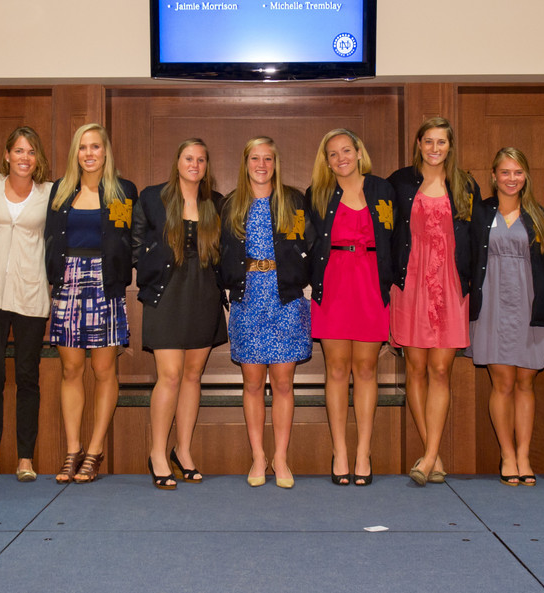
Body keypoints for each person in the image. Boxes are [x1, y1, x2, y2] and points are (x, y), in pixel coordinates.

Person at [44, 123, 137, 484]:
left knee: (103, 372)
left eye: (95, 146)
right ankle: (73, 450)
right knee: (70, 370)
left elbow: (128, 238)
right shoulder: (60, 190)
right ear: (75, 153)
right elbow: (52, 238)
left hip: (106, 285)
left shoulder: (123, 191)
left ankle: (94, 451)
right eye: (83, 147)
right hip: (68, 282)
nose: (89, 153)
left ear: (105, 151)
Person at [388, 116, 479, 486]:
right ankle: (433, 454)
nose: (435, 148)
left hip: (450, 284)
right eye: (429, 141)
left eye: (441, 142)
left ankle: (428, 456)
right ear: (419, 144)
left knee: (441, 370)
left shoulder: (465, 185)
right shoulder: (398, 182)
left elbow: (474, 238)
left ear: (450, 146)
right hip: (410, 283)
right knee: (415, 369)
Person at [133, 139, 227, 489]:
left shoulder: (216, 203)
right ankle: (158, 453)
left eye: (201, 159)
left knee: (192, 376)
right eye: (189, 157)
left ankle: (182, 451)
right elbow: (135, 242)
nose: (195, 164)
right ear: (177, 162)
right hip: (166, 293)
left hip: (204, 293)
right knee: (169, 376)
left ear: (206, 166)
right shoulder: (153, 197)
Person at [219, 136, 312, 489]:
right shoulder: (231, 205)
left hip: (286, 299)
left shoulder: (293, 200)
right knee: (253, 382)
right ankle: (258, 455)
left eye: (268, 158)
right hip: (249, 300)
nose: (262, 165)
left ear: (276, 163)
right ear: (245, 163)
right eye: (255, 158)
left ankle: (281, 457)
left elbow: (310, 244)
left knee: (284, 382)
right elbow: (219, 253)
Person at [306, 129, 395, 486]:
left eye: (346, 150)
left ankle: (363, 452)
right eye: (332, 153)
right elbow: (309, 244)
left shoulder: (382, 189)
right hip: (335, 284)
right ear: (326, 161)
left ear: (359, 152)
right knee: (337, 370)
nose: (341, 157)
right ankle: (340, 451)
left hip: (371, 283)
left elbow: (394, 237)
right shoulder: (318, 195)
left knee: (367, 370)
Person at [469, 148, 544, 487]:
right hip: (491, 305)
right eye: (505, 172)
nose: (511, 178)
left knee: (525, 383)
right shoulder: (479, 213)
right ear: (493, 176)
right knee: (501, 383)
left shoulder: (539, 215)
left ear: (526, 176)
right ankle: (506, 454)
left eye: (518, 172)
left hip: (529, 304)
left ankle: (524, 455)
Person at [0, 127, 52, 484]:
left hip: (31, 297)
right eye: (19, 151)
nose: (24, 157)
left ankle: (25, 458)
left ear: (38, 159)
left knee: (27, 378)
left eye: (31, 152)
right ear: (6, 155)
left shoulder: (49, 193)